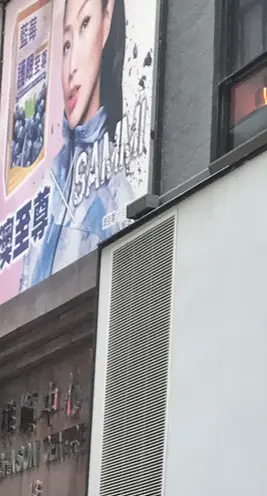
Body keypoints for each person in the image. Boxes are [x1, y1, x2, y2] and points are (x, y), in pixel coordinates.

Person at [21, 0, 134, 292]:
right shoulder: (48, 183)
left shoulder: (117, 193)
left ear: (106, 22)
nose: (70, 68)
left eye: (85, 24)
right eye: (66, 45)